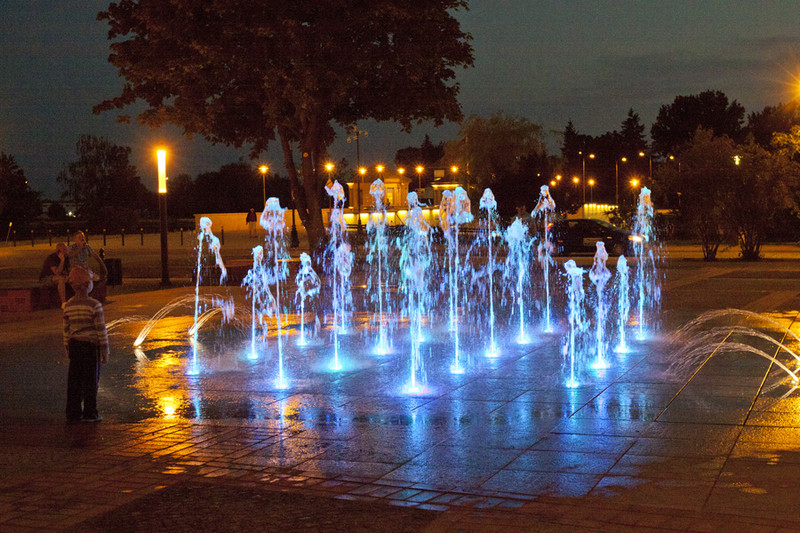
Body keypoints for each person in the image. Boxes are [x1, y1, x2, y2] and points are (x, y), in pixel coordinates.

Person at [63, 267, 109, 422]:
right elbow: (101, 330)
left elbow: (66, 329)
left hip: (75, 346)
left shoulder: (68, 305)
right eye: (90, 283)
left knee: (74, 380)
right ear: (87, 285)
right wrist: (105, 350)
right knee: (91, 380)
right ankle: (90, 412)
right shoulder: (94, 305)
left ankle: (73, 413)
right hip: (90, 347)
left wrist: (67, 347)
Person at [39, 242, 70, 308]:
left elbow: (68, 271)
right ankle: (64, 303)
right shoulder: (52, 258)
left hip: (59, 276)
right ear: (59, 251)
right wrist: (62, 261)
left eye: (66, 249)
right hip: (46, 278)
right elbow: (57, 272)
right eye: (63, 250)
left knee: (73, 277)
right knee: (61, 279)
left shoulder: (67, 258)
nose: (66, 251)